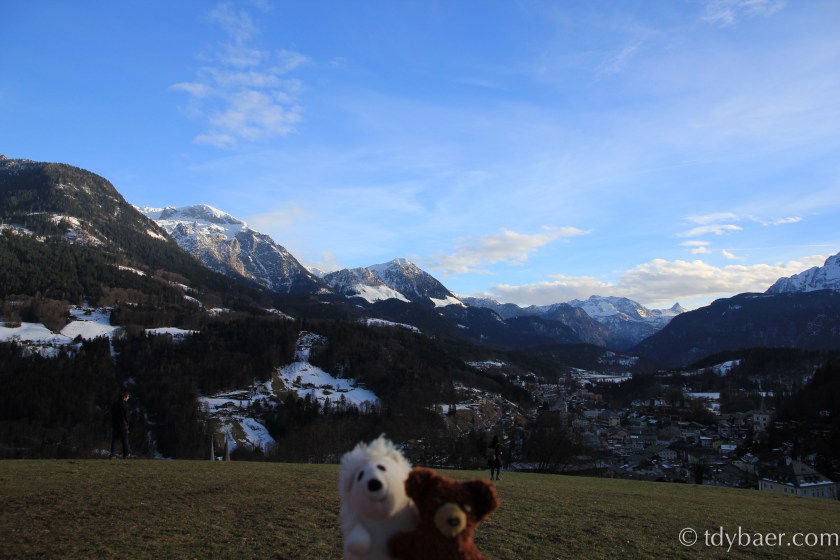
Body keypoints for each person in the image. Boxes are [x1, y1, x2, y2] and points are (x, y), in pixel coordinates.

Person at [109, 391, 133, 459]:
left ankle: (112, 454)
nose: (128, 397)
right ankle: (126, 454)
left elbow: (112, 414)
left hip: (115, 424)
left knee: (114, 440)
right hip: (123, 425)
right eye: (128, 396)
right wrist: (128, 423)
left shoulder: (114, 404)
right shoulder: (125, 405)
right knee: (125, 440)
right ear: (125, 397)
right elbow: (127, 416)